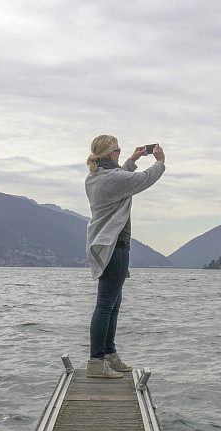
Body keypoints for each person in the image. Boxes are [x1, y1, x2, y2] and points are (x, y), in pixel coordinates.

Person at [84, 134, 166, 378]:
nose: (120, 153)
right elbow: (142, 179)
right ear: (110, 154)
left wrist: (132, 158)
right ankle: (97, 362)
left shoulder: (94, 177)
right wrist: (160, 162)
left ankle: (108, 355)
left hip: (106, 244)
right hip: (115, 245)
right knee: (106, 305)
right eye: (118, 151)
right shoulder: (113, 179)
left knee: (112, 305)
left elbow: (121, 177)